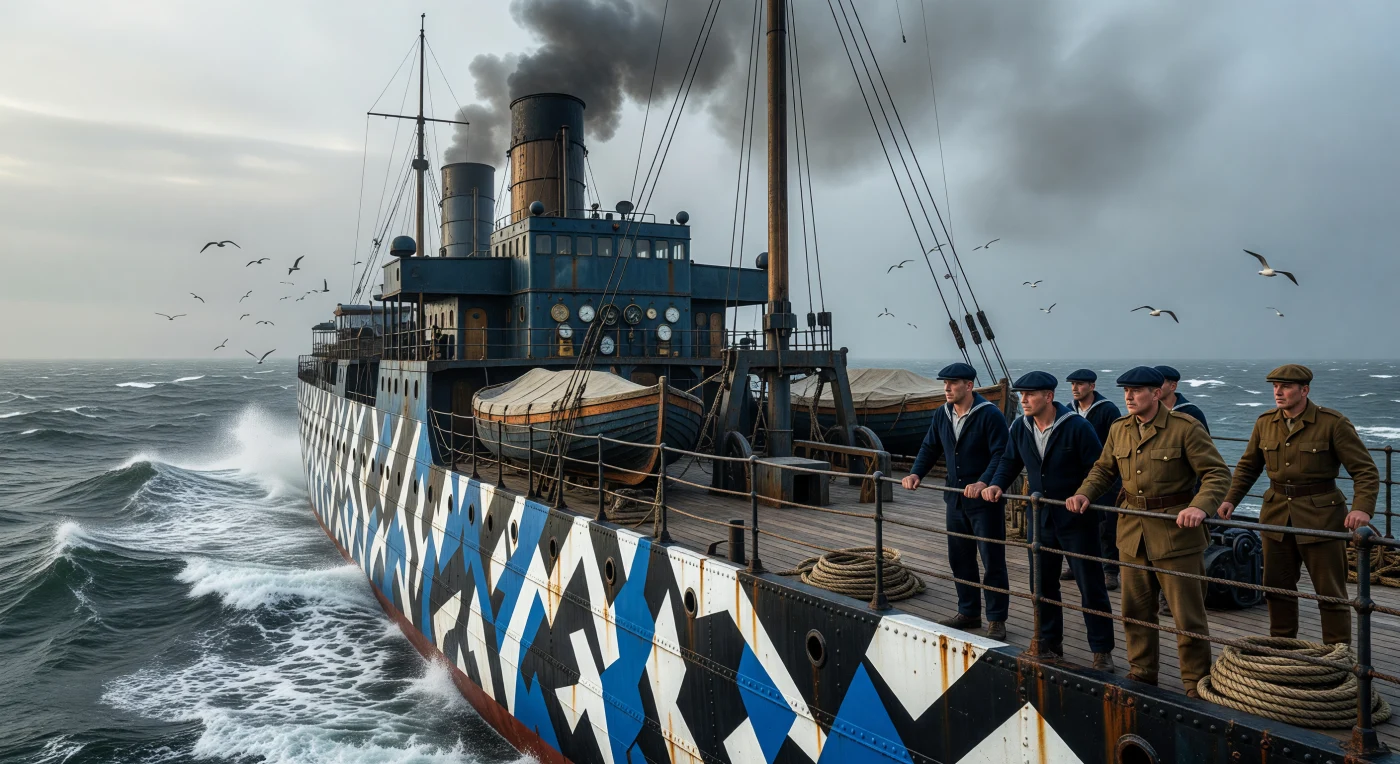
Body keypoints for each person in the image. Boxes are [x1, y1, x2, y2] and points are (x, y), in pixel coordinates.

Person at [1066, 366, 1231, 699]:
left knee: (1188, 618)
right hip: (1132, 534)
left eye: (1137, 391)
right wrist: (1085, 492)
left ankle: (1194, 684)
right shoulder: (1119, 429)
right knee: (1135, 612)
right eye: (1126, 391)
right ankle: (1142, 674)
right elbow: (1103, 469)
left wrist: (1200, 507)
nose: (1129, 397)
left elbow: (1217, 474)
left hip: (1175, 534)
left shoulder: (1185, 428)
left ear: (1156, 394)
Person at [1218, 364, 1380, 646]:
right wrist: (1230, 499)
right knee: (1276, 590)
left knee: (1330, 594)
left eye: (1286, 387)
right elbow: (1247, 467)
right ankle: (1283, 650)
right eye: (1275, 387)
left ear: (1304, 390)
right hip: (1277, 518)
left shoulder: (1333, 423)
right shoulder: (1265, 422)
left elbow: (1365, 471)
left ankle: (1336, 656)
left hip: (1322, 520)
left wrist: (1362, 508)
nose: (1278, 392)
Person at [984, 371, 1115, 671]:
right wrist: (996, 484)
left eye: (1030, 394)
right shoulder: (1020, 427)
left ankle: (1101, 650)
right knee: (1042, 585)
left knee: (1090, 585)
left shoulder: (1077, 427)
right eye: (1022, 394)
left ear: (1049, 397)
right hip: (1040, 519)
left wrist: (1086, 499)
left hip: (1077, 520)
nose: (1024, 399)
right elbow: (1009, 461)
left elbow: (1100, 470)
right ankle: (1050, 642)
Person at [902, 362, 1010, 640]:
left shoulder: (990, 415)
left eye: (953, 383)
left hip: (985, 501)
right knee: (960, 558)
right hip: (955, 499)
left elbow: (1001, 454)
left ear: (969, 386)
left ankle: (997, 619)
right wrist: (916, 473)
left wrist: (984, 481)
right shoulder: (943, 414)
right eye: (944, 383)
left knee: (992, 560)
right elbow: (930, 446)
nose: (947, 388)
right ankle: (969, 611)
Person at [1067, 368, 1124, 590]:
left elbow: (1119, 441)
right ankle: (1076, 563)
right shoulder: (1070, 410)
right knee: (1076, 521)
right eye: (1072, 384)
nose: (1075, 388)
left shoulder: (1107, 410)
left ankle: (1110, 570)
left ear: (1092, 386)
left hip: (1105, 475)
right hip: (1078, 476)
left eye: (1080, 384)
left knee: (1107, 524)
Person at [1156, 365, 1209, 432]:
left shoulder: (1192, 413)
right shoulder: (1149, 410)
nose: (1154, 388)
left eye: (1158, 383)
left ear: (1173, 386)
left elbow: (1203, 441)